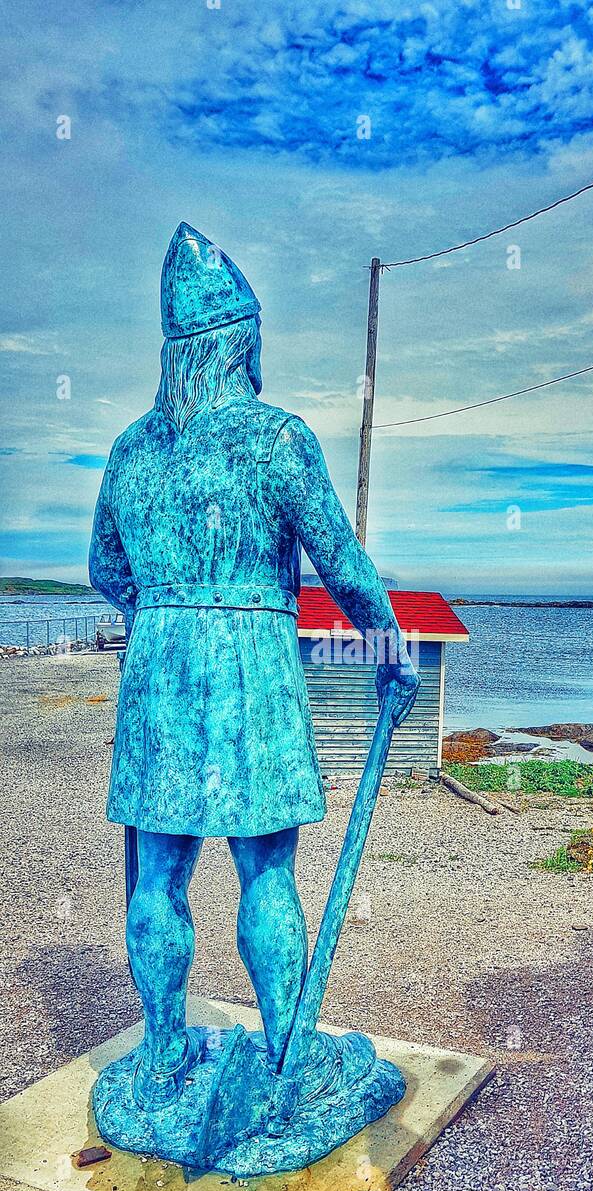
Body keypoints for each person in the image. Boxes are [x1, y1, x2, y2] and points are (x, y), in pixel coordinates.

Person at [89, 222, 419, 1114]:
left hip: (157, 669)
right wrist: (387, 645)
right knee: (265, 873)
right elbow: (341, 561)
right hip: (250, 673)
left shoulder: (130, 450)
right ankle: (287, 1053)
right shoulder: (277, 439)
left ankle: (162, 1053)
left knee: (157, 874)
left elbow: (106, 572)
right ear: (241, 342)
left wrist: (166, 616)